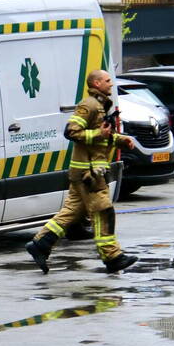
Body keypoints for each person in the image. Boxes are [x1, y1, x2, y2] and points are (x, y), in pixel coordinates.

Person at [25, 69, 138, 274]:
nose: (111, 84)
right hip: (89, 174)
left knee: (71, 212)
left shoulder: (100, 106)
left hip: (86, 172)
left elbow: (102, 136)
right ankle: (112, 257)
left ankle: (40, 244)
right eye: (107, 80)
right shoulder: (89, 105)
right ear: (96, 84)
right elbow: (71, 131)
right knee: (103, 211)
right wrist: (98, 133)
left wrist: (122, 140)